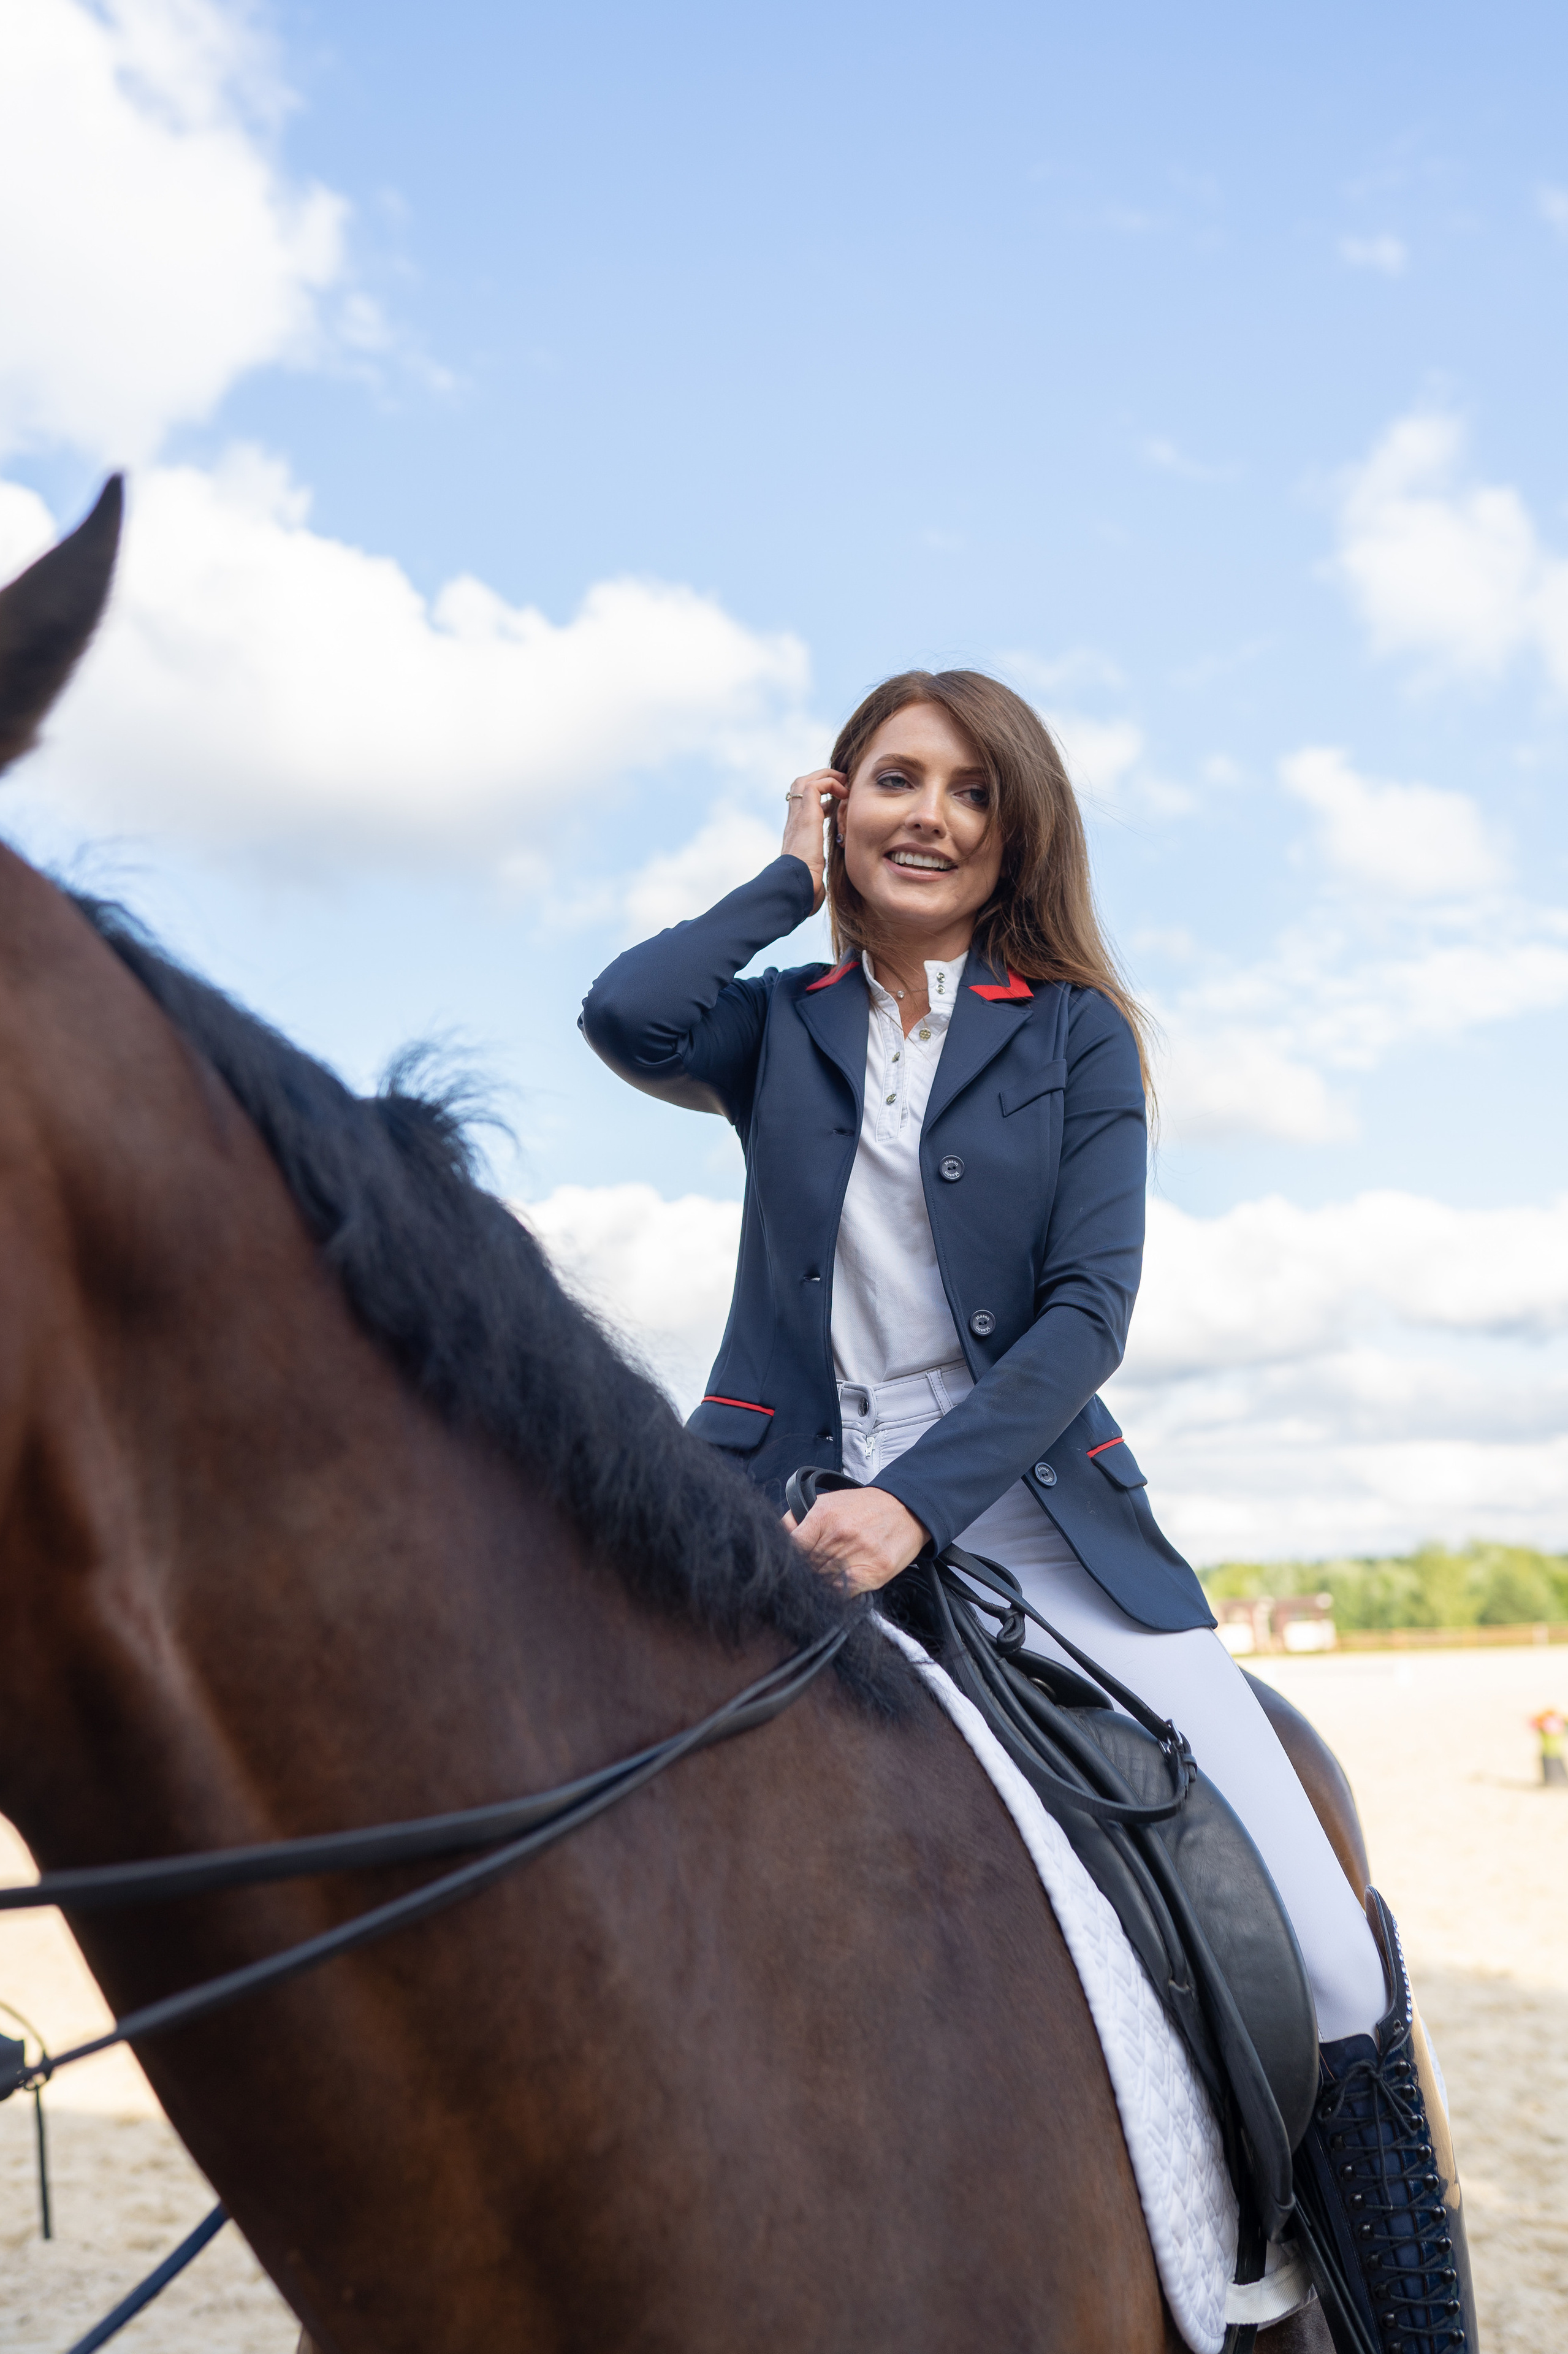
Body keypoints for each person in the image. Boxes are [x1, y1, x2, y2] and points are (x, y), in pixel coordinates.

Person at [580, 669, 1475, 2353]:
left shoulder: (1074, 1034)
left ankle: (1402, 2329)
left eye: (974, 791)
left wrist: (913, 1511)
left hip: (1031, 1514)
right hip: (770, 1505)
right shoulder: (775, 1026)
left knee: (1338, 1961)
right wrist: (786, 879)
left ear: (1018, 834)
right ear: (841, 801)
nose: (933, 814)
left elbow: (1085, 1315)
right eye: (895, 780)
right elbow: (626, 1015)